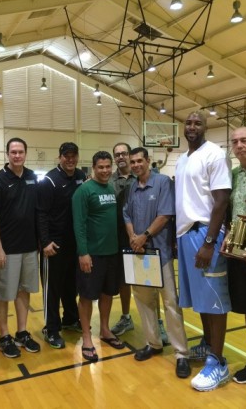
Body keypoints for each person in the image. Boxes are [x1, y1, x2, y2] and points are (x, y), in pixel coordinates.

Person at [175, 111, 232, 392]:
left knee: (214, 300)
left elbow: (221, 200)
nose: (192, 126)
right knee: (199, 300)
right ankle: (209, 346)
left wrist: (210, 242)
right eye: (188, 122)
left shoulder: (215, 154)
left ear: (206, 127)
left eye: (198, 122)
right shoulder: (182, 158)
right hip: (186, 234)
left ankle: (218, 362)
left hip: (206, 233)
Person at [123, 147, 190, 378]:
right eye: (133, 162)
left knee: (171, 303)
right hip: (139, 254)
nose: (136, 165)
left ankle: (182, 353)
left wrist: (145, 237)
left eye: (139, 161)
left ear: (148, 161)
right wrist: (133, 237)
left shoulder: (162, 183)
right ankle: (154, 343)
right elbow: (127, 215)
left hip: (158, 254)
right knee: (144, 302)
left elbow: (165, 215)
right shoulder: (132, 186)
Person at [0, 138, 40, 358]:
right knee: (2, 294)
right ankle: (4, 336)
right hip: (6, 249)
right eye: (13, 152)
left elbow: (37, 211)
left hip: (29, 247)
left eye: (20, 152)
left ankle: (22, 332)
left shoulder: (32, 178)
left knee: (23, 290)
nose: (17, 156)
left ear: (26, 153)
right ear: (7, 154)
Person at [72, 151, 124, 362]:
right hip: (91, 254)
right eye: (100, 167)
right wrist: (83, 253)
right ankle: (86, 337)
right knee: (86, 296)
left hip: (112, 253)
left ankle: (105, 329)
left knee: (107, 293)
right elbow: (79, 224)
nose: (105, 171)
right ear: (93, 167)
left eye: (107, 167)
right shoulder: (83, 191)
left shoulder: (111, 188)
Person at [37, 142, 86, 349]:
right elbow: (40, 213)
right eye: (66, 156)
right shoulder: (49, 180)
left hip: (73, 244)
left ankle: (71, 319)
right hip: (53, 245)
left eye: (73, 155)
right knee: (53, 289)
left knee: (71, 286)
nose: (70, 159)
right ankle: (51, 328)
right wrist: (45, 242)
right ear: (60, 157)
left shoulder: (81, 177)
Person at [221, 127, 246, 384]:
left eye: (244, 140)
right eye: (235, 142)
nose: (239, 146)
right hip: (240, 254)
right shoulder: (233, 175)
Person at [109, 142, 135, 336]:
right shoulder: (108, 181)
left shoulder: (142, 177)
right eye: (117, 154)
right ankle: (126, 317)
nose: (120, 157)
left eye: (124, 153)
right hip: (118, 239)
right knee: (123, 281)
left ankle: (157, 322)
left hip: (143, 237)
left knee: (149, 282)